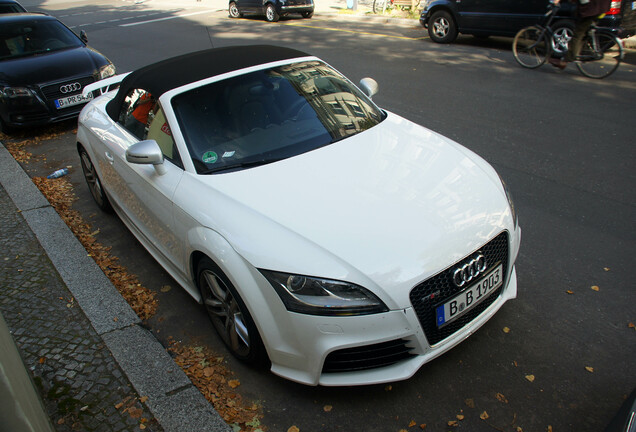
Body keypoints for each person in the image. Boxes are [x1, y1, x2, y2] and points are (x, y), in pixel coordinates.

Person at [549, 0, 611, 69]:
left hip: (591, 9)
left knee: (578, 34)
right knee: (585, 31)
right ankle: (584, 51)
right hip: (602, 7)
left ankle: (566, 60)